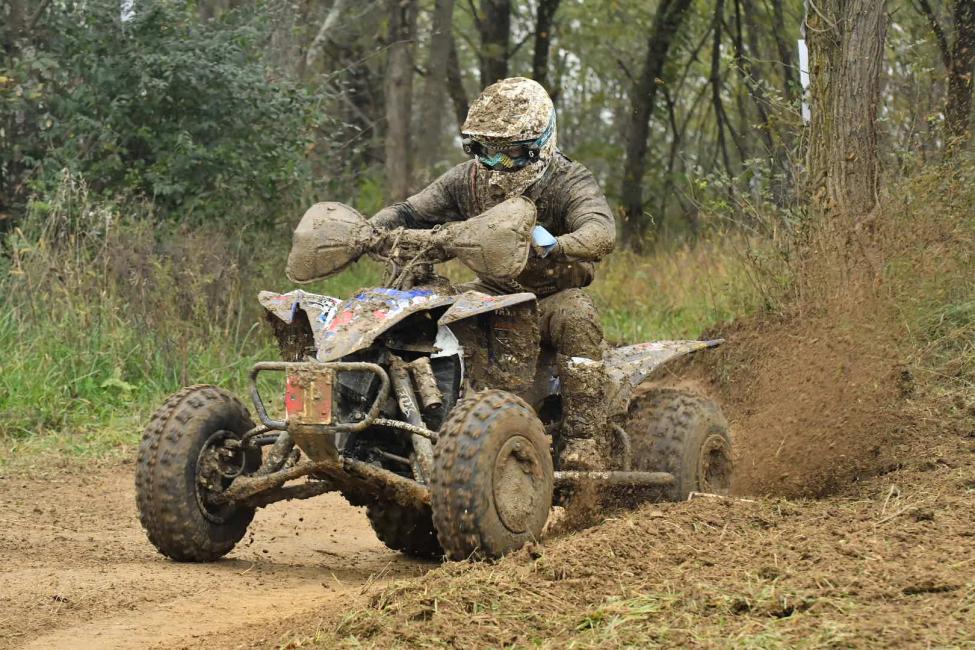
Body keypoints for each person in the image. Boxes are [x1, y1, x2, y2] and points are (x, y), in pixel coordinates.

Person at [370, 77, 616, 470]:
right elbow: (411, 211)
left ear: (539, 145)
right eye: (487, 151)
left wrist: (556, 245)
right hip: (490, 289)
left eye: (511, 153)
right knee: (428, 314)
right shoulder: (466, 178)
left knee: (577, 316)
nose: (497, 165)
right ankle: (426, 425)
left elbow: (601, 231)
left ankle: (585, 437)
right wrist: (373, 229)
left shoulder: (568, 180)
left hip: (549, 294)